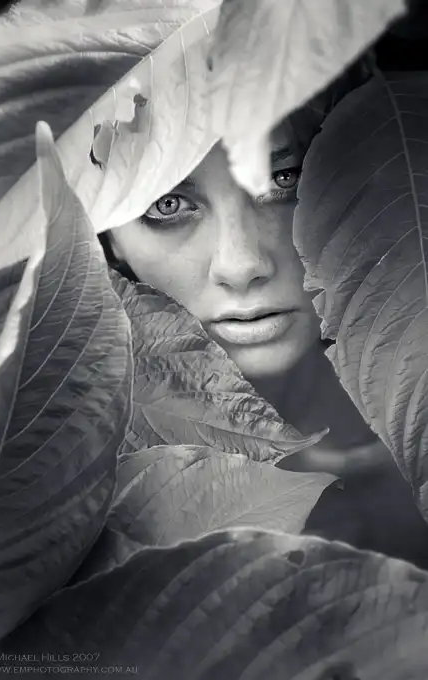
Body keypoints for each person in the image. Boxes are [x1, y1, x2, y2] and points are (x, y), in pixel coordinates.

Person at [97, 86, 428, 566]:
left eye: (285, 179)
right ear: (108, 236)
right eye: (167, 204)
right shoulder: (70, 478)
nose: (241, 264)